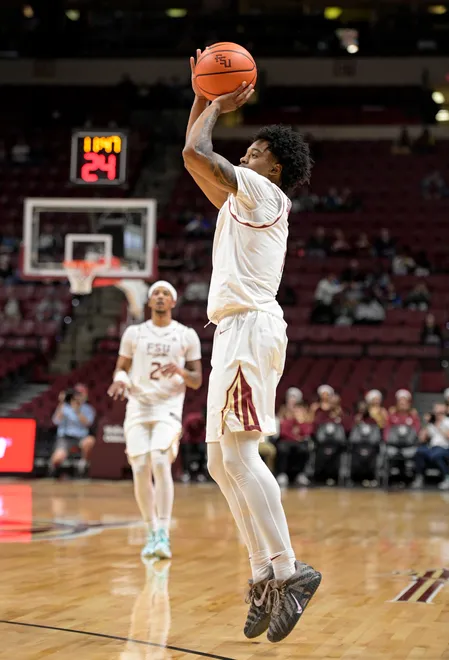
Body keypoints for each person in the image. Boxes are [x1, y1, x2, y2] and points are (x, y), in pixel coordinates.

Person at [183, 50, 321, 644]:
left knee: (239, 457)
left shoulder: (266, 196)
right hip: (233, 332)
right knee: (220, 461)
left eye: (258, 149)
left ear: (276, 166)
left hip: (251, 328)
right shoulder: (242, 203)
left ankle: (289, 570)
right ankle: (263, 573)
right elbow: (192, 161)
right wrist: (199, 95)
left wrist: (212, 103)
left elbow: (198, 152)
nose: (247, 153)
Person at [107, 281, 202, 560]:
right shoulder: (134, 333)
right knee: (139, 468)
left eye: (166, 294)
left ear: (173, 302)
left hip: (168, 407)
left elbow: (196, 380)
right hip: (138, 405)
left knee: (160, 461)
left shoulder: (186, 335)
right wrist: (121, 381)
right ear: (150, 302)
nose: (160, 297)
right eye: (156, 294)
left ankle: (163, 532)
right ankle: (150, 531)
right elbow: (121, 369)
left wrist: (182, 372)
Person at [50, 383, 96, 477]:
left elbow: (87, 423)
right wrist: (62, 402)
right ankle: (52, 472)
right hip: (65, 438)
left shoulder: (88, 409)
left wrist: (77, 410)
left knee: (90, 441)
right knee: (58, 458)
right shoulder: (64, 407)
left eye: (81, 394)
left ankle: (83, 464)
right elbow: (56, 421)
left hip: (80, 438)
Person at [411, 403, 449, 490]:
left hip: (445, 447)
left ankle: (447, 478)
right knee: (419, 452)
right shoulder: (431, 424)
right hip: (432, 448)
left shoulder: (447, 421)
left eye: (440, 413)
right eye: (436, 412)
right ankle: (419, 477)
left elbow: (448, 436)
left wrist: (438, 426)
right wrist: (425, 424)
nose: (437, 415)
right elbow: (422, 439)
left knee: (437, 454)